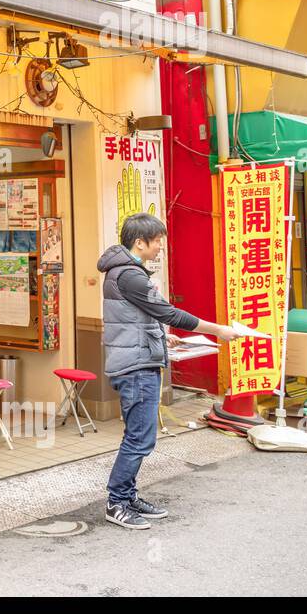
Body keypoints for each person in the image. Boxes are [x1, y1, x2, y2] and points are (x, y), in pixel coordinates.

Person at [97, 213, 243, 530]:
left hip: (137, 362)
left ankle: (128, 495)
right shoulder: (130, 276)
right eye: (158, 240)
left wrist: (162, 334)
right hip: (136, 368)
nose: (161, 246)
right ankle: (117, 502)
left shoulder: (123, 272)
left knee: (140, 436)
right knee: (139, 438)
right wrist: (219, 330)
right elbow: (169, 313)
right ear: (140, 242)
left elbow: (139, 318)